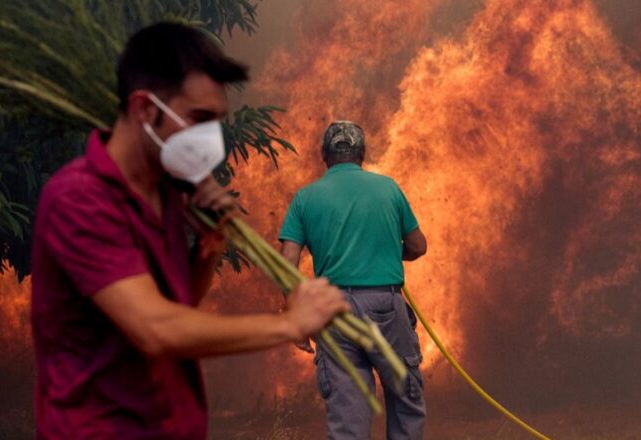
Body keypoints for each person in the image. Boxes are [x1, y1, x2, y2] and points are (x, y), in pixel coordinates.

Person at [30, 22, 349, 439]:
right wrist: (290, 324)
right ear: (145, 109)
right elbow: (156, 329)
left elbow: (177, 305)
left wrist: (208, 249)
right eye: (199, 119)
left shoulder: (166, 194)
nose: (210, 138)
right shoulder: (81, 197)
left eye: (216, 121)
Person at [279, 121, 428, 439]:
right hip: (384, 307)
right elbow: (418, 246)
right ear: (362, 153)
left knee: (348, 415)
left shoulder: (305, 198)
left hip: (333, 312)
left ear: (324, 155)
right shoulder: (388, 188)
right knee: (405, 400)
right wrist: (383, 251)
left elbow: (286, 263)